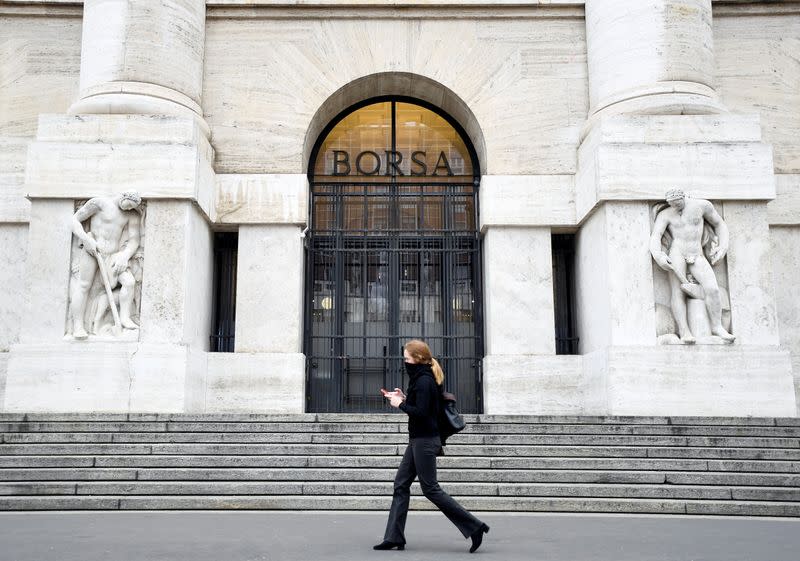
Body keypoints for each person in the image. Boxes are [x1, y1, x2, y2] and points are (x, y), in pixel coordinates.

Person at [373, 339, 490, 553]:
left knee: (430, 488)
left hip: (425, 440)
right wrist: (404, 398)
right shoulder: (421, 378)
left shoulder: (424, 380)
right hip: (418, 439)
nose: (405, 362)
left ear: (417, 359)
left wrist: (401, 405)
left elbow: (423, 414)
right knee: (401, 484)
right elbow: (423, 406)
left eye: (407, 359)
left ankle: (475, 527)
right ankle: (394, 536)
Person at [649, 188, 735, 344]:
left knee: (712, 288)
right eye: (672, 205)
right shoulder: (666, 214)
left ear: (684, 198)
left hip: (697, 253)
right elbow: (656, 235)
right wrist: (659, 255)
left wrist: (723, 246)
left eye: (678, 204)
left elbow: (719, 224)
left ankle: (717, 326)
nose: (676, 208)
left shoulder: (702, 206)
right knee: (677, 292)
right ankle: (684, 331)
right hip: (677, 252)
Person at [69, 191, 143, 338]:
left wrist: (124, 256)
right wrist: (86, 239)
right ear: (124, 197)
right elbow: (74, 220)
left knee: (129, 282)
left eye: (132, 207)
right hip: (93, 250)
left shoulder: (132, 215)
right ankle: (78, 327)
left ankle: (124, 318)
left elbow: (134, 240)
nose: (129, 209)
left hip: (113, 256)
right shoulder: (99, 203)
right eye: (129, 205)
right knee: (83, 286)